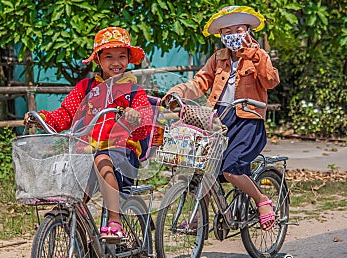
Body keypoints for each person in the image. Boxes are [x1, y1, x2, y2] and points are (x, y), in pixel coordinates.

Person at [24, 27, 153, 240]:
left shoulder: (133, 92)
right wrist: (43, 119)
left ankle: (114, 222)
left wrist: (135, 117)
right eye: (109, 57)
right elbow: (65, 114)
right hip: (84, 155)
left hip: (121, 156)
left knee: (102, 159)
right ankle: (81, 255)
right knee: (73, 199)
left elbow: (145, 122)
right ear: (98, 60)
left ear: (129, 60)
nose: (116, 62)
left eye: (122, 56)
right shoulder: (86, 88)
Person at [164, 6, 280, 231]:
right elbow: (199, 83)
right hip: (219, 121)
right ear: (221, 36)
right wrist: (178, 92)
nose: (233, 36)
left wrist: (254, 55)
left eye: (238, 30)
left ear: (248, 31)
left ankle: (261, 200)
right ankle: (200, 217)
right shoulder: (218, 58)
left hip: (248, 121)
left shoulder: (258, 56)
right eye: (227, 32)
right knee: (206, 168)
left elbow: (270, 80)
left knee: (232, 169)